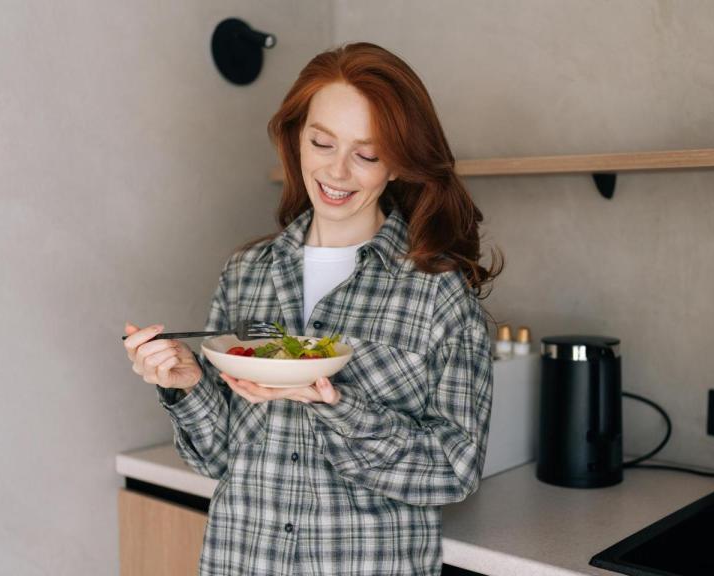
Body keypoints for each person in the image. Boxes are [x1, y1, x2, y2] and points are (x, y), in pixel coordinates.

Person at [123, 42, 502, 576]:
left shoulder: (437, 292)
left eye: (366, 154)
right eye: (322, 143)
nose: (337, 171)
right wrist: (187, 386)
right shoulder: (246, 273)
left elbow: (454, 471)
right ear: (297, 136)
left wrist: (336, 406)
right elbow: (218, 458)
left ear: (398, 164)